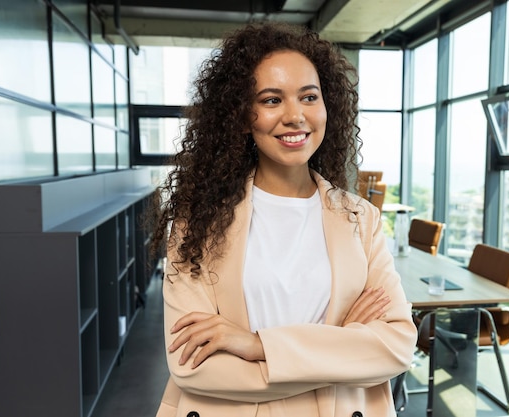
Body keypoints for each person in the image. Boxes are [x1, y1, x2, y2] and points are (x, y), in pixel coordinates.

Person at [151, 21, 417, 417]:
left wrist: (258, 346)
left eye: (309, 97)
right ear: (243, 116)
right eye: (272, 100)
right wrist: (341, 346)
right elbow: (194, 366)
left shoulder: (360, 219)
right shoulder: (198, 223)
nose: (295, 116)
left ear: (327, 106)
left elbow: (396, 346)